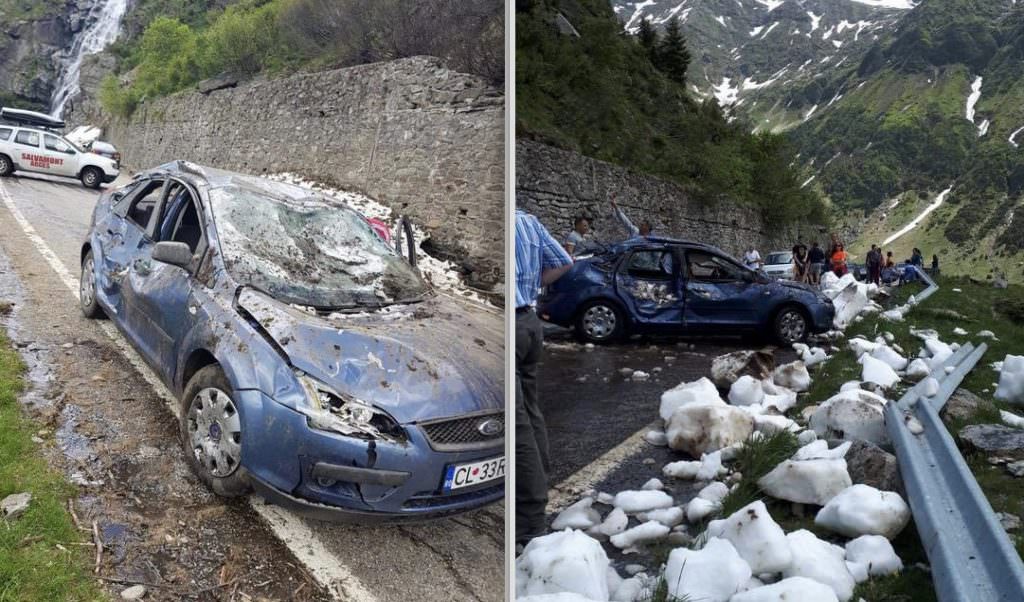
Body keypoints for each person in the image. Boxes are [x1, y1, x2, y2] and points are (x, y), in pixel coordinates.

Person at [515, 209, 573, 549]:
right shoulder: (528, 221)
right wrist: (534, 284)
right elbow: (565, 262)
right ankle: (541, 481)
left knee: (518, 426)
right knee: (531, 412)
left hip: (512, 322)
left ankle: (530, 521)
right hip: (530, 323)